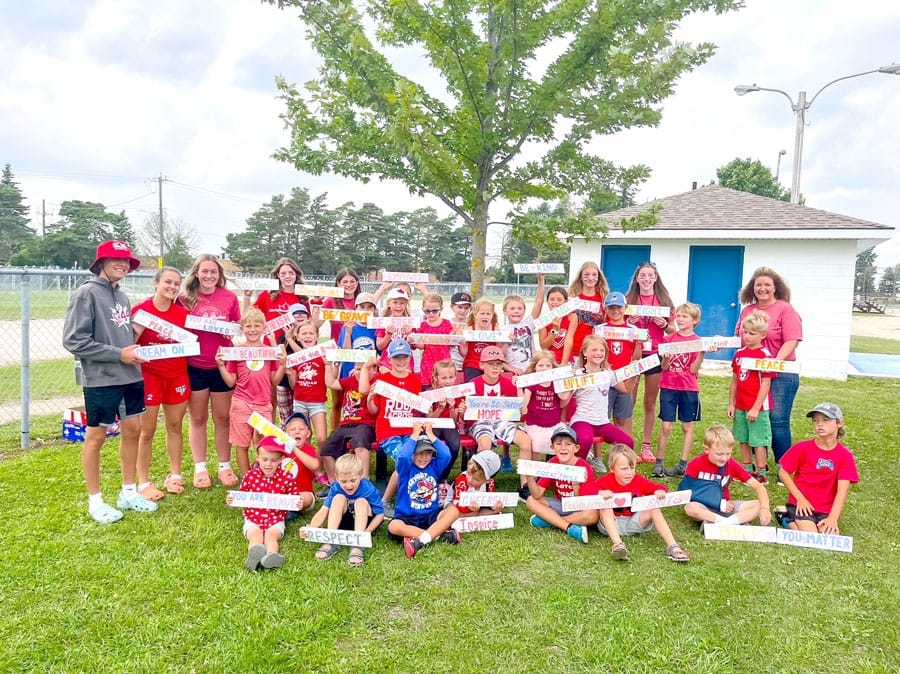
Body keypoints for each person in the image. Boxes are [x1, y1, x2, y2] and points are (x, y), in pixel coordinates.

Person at [62, 240, 153, 523]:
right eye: (116, 259)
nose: (123, 265)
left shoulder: (123, 297)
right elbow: (73, 340)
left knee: (133, 430)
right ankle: (95, 501)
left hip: (130, 376)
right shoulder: (86, 294)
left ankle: (128, 491)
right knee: (96, 437)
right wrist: (118, 354)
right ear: (101, 262)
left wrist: (135, 351)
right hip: (101, 380)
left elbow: (123, 340)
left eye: (127, 261)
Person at [180, 254, 241, 489]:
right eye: (204, 271)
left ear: (219, 275)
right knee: (198, 418)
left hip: (222, 365)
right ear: (196, 273)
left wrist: (230, 332)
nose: (209, 276)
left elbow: (237, 326)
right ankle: (200, 468)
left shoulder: (228, 297)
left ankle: (224, 466)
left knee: (223, 417)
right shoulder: (185, 298)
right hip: (194, 365)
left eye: (213, 272)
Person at [131, 267, 190, 499]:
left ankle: (175, 474)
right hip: (149, 377)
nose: (172, 287)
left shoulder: (182, 314)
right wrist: (138, 332)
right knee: (147, 430)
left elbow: (191, 342)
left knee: (175, 426)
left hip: (176, 375)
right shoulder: (141, 312)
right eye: (168, 282)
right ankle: (143, 482)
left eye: (176, 283)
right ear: (156, 283)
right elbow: (128, 344)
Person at [736, 267, 803, 469]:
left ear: (775, 288)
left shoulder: (785, 309)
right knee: (754, 417)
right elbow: (740, 339)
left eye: (767, 285)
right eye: (758, 285)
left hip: (781, 374)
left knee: (777, 420)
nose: (762, 288)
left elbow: (792, 340)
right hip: (753, 375)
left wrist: (773, 362)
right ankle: (759, 464)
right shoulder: (747, 310)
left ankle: (785, 466)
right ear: (752, 288)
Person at [216, 308, 287, 476]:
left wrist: (283, 365)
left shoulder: (270, 351)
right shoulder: (237, 351)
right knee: (242, 443)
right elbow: (231, 381)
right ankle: (248, 478)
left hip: (263, 404)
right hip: (241, 403)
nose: (253, 329)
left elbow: (274, 381)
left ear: (264, 328)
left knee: (265, 443)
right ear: (242, 329)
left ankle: (263, 474)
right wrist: (220, 365)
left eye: (257, 325)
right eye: (248, 326)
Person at [591, 444, 689, 562]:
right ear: (612, 468)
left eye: (632, 468)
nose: (629, 473)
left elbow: (657, 487)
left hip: (633, 522)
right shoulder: (605, 481)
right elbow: (586, 489)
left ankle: (673, 546)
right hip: (611, 524)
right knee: (605, 506)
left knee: (654, 507)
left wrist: (659, 490)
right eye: (624, 469)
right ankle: (618, 545)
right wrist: (599, 492)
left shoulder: (638, 480)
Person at [460, 346, 533, 498]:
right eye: (491, 363)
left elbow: (516, 413)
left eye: (499, 364)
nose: (495, 367)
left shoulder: (507, 384)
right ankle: (481, 486)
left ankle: (525, 485)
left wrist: (521, 411)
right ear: (481, 365)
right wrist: (464, 410)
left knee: (525, 441)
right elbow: (466, 416)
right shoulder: (473, 384)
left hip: (501, 420)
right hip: (480, 421)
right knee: (485, 444)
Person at [777, 404, 858, 534]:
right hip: (801, 505)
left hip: (825, 509)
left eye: (826, 420)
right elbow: (783, 472)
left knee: (830, 536)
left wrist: (833, 518)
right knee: (810, 535)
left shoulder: (845, 456)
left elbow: (842, 491)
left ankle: (789, 521)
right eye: (816, 420)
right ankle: (788, 520)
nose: (820, 424)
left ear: (839, 423)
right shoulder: (802, 448)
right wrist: (800, 499)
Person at [625, 262, 676, 464]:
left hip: (655, 354)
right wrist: (630, 322)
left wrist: (664, 324)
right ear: (637, 278)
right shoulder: (629, 300)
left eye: (650, 276)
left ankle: (646, 446)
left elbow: (674, 330)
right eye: (643, 276)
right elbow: (618, 324)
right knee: (629, 399)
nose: (646, 279)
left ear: (656, 278)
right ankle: (628, 446)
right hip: (635, 353)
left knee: (649, 402)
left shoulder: (663, 300)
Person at [559, 335, 634, 473]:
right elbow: (563, 402)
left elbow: (626, 389)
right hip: (582, 420)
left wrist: (635, 373)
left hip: (602, 422)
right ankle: (577, 472)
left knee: (628, 443)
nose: (598, 353)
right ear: (585, 352)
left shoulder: (608, 374)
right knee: (585, 440)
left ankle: (618, 471)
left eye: (601, 350)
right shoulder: (578, 374)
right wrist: (567, 385)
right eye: (594, 350)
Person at [226, 435, 300, 571]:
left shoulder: (287, 478)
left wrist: (297, 503)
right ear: (258, 458)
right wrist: (233, 499)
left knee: (272, 536)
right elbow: (242, 495)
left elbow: (294, 498)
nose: (268, 464)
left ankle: (272, 556)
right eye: (264, 459)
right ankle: (254, 556)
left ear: (281, 460)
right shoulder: (250, 476)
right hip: (253, 518)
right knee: (255, 535)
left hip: (275, 519)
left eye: (273, 460)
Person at [387, 423, 462, 558]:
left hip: (431, 515)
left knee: (453, 511)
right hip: (407, 517)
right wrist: (415, 434)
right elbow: (403, 456)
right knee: (394, 526)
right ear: (412, 454)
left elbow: (446, 455)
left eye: (428, 453)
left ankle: (419, 540)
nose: (424, 457)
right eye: (419, 453)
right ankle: (438, 535)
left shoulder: (434, 466)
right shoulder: (406, 468)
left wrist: (431, 434)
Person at [301, 453, 385, 567]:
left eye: (353, 480)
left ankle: (358, 545)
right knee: (338, 498)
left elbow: (380, 515)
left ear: (360, 475)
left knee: (361, 501)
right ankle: (331, 539)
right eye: (344, 481)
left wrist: (367, 532)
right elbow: (324, 510)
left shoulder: (368, 488)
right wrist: (312, 528)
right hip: (344, 521)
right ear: (336, 477)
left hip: (365, 522)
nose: (349, 485)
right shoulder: (336, 487)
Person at [682, 425, 771, 527]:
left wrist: (765, 508)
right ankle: (731, 522)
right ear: (706, 449)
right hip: (703, 506)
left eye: (728, 454)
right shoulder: (696, 464)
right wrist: (718, 504)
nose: (724, 458)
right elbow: (687, 492)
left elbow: (758, 486)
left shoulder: (731, 464)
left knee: (758, 504)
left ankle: (722, 523)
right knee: (690, 508)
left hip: (727, 506)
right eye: (719, 454)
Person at [653, 303, 704, 478]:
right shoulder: (668, 340)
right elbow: (664, 366)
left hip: (688, 388)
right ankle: (659, 463)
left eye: (685, 316)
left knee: (687, 425)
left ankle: (683, 464)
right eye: (679, 316)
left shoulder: (698, 342)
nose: (680, 319)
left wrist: (702, 353)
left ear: (695, 320)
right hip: (668, 386)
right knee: (666, 426)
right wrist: (666, 358)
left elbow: (693, 369)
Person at [524, 424, 598, 544]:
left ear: (576, 448)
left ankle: (550, 521)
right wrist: (529, 477)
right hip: (561, 504)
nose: (563, 448)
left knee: (592, 515)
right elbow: (537, 495)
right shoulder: (552, 463)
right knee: (531, 500)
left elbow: (584, 504)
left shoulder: (584, 467)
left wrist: (576, 487)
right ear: (552, 447)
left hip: (578, 507)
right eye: (558, 444)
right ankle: (569, 528)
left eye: (568, 444)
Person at [728, 310, 775, 483]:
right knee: (743, 437)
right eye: (745, 332)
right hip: (740, 404)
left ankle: (761, 473)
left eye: (752, 333)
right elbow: (734, 381)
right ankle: (746, 469)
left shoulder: (765, 356)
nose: (747, 336)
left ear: (762, 335)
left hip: (758, 407)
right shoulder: (739, 354)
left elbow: (766, 383)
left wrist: (756, 407)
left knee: (758, 440)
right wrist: (732, 404)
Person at [320, 359, 376, 486]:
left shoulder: (376, 382)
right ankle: (336, 484)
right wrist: (328, 365)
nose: (361, 372)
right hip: (345, 424)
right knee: (326, 450)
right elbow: (331, 383)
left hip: (365, 423)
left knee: (360, 444)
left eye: (366, 368)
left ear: (373, 370)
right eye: (357, 369)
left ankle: (364, 482)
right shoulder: (349, 381)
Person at [597, 291, 642, 437]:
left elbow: (636, 359)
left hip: (624, 380)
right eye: (611, 308)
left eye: (619, 307)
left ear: (625, 308)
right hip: (605, 380)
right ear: (606, 309)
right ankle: (597, 453)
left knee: (621, 419)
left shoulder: (634, 331)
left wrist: (638, 344)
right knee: (602, 417)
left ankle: (621, 450)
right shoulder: (600, 330)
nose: (615, 311)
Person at [286, 321, 329, 452]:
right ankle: (307, 467)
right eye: (304, 333)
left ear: (317, 336)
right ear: (297, 337)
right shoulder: (295, 358)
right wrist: (290, 373)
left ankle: (320, 468)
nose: (308, 336)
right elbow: (293, 386)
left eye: (311, 333)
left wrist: (328, 365)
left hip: (317, 403)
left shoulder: (323, 356)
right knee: (304, 439)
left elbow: (329, 381)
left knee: (322, 438)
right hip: (300, 402)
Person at [519, 350, 569, 456]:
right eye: (540, 365)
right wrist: (519, 387)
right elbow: (524, 403)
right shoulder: (531, 384)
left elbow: (563, 398)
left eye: (548, 365)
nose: (544, 368)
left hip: (554, 424)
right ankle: (535, 470)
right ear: (534, 368)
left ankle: (555, 466)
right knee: (537, 444)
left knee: (564, 441)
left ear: (553, 368)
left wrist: (569, 384)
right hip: (535, 425)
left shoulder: (556, 383)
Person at [242, 257, 306, 341]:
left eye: (291, 273)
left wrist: (317, 304)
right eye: (283, 274)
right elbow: (248, 316)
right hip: (271, 344)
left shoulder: (302, 297)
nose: (287, 276)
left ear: (296, 274)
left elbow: (310, 323)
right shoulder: (267, 294)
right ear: (278, 275)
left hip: (293, 346)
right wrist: (247, 298)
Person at [562, 261, 609, 366]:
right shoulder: (572, 298)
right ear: (581, 277)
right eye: (586, 275)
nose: (590, 278)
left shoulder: (603, 298)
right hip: (574, 347)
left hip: (594, 349)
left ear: (599, 278)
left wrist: (602, 319)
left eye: (594, 275)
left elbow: (609, 324)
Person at [280, 412, 320, 522]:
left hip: (303, 494)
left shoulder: (308, 450)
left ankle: (289, 511)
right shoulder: (280, 450)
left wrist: (295, 449)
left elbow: (315, 465)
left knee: (305, 498)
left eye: (301, 429)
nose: (297, 431)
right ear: (286, 434)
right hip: (284, 494)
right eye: (292, 429)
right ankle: (287, 510)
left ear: (308, 433)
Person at [501, 276, 544, 375]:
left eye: (520, 308)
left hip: (530, 370)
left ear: (524, 311)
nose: (516, 311)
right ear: (504, 311)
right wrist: (510, 369)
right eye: (512, 308)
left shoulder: (528, 324)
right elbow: (498, 356)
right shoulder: (501, 330)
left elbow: (539, 302)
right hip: (513, 372)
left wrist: (541, 280)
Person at [413, 293, 454, 386]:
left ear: (441, 309)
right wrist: (412, 339)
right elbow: (421, 346)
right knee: (427, 390)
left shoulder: (447, 324)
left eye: (435, 311)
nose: (431, 313)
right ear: (423, 310)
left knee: (444, 388)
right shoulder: (422, 325)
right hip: (427, 363)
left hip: (444, 363)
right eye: (427, 311)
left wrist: (456, 335)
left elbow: (452, 344)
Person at [450, 451, 504, 517]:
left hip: (477, 507)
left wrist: (495, 507)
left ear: (488, 481)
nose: (469, 479)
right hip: (454, 506)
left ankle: (474, 515)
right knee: (456, 513)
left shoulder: (489, 484)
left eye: (475, 479)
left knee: (494, 511)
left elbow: (489, 500)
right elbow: (456, 502)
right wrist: (468, 508)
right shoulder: (462, 480)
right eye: (468, 473)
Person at [459, 298, 501, 381]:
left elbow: (499, 350)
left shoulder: (495, 330)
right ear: (475, 314)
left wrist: (507, 341)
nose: (485, 316)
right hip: (473, 364)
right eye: (482, 313)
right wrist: (462, 344)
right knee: (472, 384)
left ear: (492, 315)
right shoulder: (469, 330)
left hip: (490, 364)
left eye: (488, 314)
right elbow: (464, 353)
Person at [317, 267, 362, 343]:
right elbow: (317, 324)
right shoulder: (331, 301)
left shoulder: (362, 300)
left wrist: (383, 288)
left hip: (359, 349)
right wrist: (316, 303)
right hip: (337, 349)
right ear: (338, 283)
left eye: (352, 281)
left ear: (357, 283)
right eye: (345, 282)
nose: (349, 285)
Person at [538, 285, 572, 365]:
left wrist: (564, 362)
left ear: (566, 301)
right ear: (548, 301)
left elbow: (569, 340)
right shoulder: (543, 320)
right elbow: (544, 346)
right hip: (550, 361)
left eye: (559, 299)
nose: (555, 302)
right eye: (552, 299)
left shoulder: (571, 317)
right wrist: (555, 330)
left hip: (566, 359)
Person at [448, 291, 472, 377]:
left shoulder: (472, 324)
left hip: (468, 364)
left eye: (466, 308)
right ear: (452, 307)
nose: (463, 311)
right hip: (450, 364)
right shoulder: (447, 323)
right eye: (460, 307)